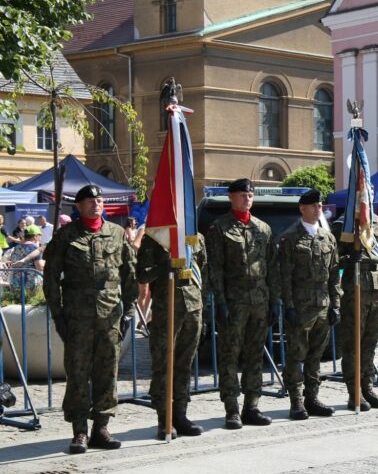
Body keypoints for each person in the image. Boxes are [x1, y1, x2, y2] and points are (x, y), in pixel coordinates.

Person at [43, 185, 137, 454]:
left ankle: (102, 428)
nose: (96, 204)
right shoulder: (66, 236)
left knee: (107, 371)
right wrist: (57, 313)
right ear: (79, 205)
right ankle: (80, 431)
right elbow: (51, 278)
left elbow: (129, 274)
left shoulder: (117, 234)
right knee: (78, 372)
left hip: (109, 315)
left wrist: (129, 311)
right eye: (90, 200)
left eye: (99, 200)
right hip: (77, 316)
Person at [207, 177, 277, 428]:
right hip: (234, 302)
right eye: (242, 195)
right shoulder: (220, 228)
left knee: (255, 356)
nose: (247, 198)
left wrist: (273, 302)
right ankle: (232, 408)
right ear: (231, 197)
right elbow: (215, 268)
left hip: (259, 300)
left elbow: (271, 267)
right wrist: (220, 302)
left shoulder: (263, 229)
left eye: (250, 195)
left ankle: (252, 406)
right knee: (230, 356)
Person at [277, 189, 341, 419]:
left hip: (322, 304)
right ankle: (296, 401)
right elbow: (284, 276)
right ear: (302, 209)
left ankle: (311, 397)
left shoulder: (328, 237)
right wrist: (290, 307)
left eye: (320, 205)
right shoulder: (290, 237)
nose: (318, 209)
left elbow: (334, 275)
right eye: (313, 206)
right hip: (301, 306)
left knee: (316, 355)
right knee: (297, 354)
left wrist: (335, 304)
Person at [136, 231, 206, 438]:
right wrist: (163, 266)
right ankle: (164, 418)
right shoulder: (155, 237)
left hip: (193, 307)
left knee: (185, 363)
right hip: (167, 307)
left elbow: (203, 269)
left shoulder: (196, 236)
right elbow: (142, 274)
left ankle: (181, 415)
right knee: (163, 363)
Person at [336, 192, 378, 411]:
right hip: (355, 288)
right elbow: (333, 258)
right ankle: (355, 392)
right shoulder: (344, 224)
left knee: (370, 341)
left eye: (369, 193)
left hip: (377, 288)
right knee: (353, 343)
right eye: (362, 193)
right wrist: (348, 260)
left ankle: (368, 386)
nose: (366, 197)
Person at [4, 224, 45, 297]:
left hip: (16, 284)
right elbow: (39, 267)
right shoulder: (35, 249)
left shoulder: (16, 247)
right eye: (40, 235)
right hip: (30, 285)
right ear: (35, 236)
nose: (41, 237)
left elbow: (12, 262)